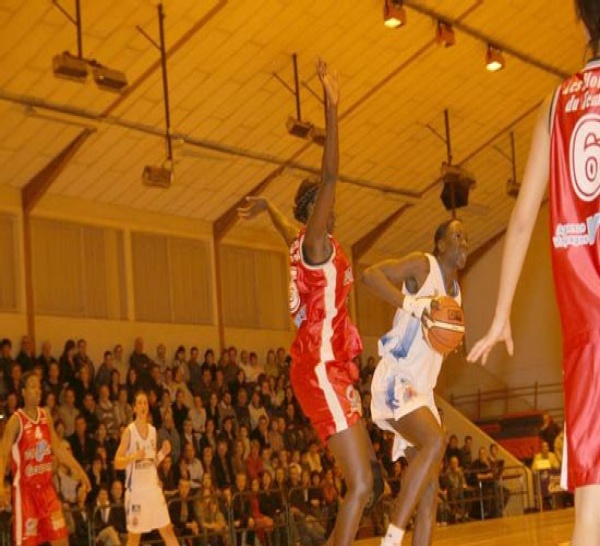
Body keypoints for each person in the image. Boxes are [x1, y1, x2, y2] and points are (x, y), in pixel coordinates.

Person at [466, 2, 600, 543]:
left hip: (587, 330)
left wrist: (501, 314)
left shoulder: (555, 103)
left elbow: (523, 218)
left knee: (589, 520)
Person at [238, 58, 381, 546]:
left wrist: (268, 207)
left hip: (332, 366)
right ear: (315, 208)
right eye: (323, 200)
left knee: (366, 485)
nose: (333, 203)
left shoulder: (302, 242)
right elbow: (332, 171)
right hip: (320, 367)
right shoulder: (317, 243)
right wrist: (332, 107)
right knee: (360, 485)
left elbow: (284, 226)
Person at [362, 218, 468, 545]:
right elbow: (369, 275)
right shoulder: (423, 267)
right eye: (458, 236)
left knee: (430, 490)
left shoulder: (456, 296)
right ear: (440, 245)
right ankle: (392, 538)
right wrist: (411, 303)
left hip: (421, 392)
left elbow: (434, 342)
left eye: (466, 238)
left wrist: (448, 343)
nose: (464, 242)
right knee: (436, 441)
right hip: (396, 378)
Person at [0, 371, 91, 546]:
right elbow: (3, 454)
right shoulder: (15, 421)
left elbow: (57, 448)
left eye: (39, 386)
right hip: (25, 493)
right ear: (23, 392)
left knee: (62, 541)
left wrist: (80, 472)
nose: (38, 390)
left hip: (46, 490)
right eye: (33, 386)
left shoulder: (45, 415)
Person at [114, 390, 179, 546]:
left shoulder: (153, 431)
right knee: (134, 539)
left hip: (153, 490)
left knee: (168, 531)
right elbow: (117, 462)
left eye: (145, 403)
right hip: (136, 491)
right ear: (134, 408)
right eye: (140, 403)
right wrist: (133, 457)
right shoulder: (129, 432)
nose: (143, 406)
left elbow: (152, 462)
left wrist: (163, 452)